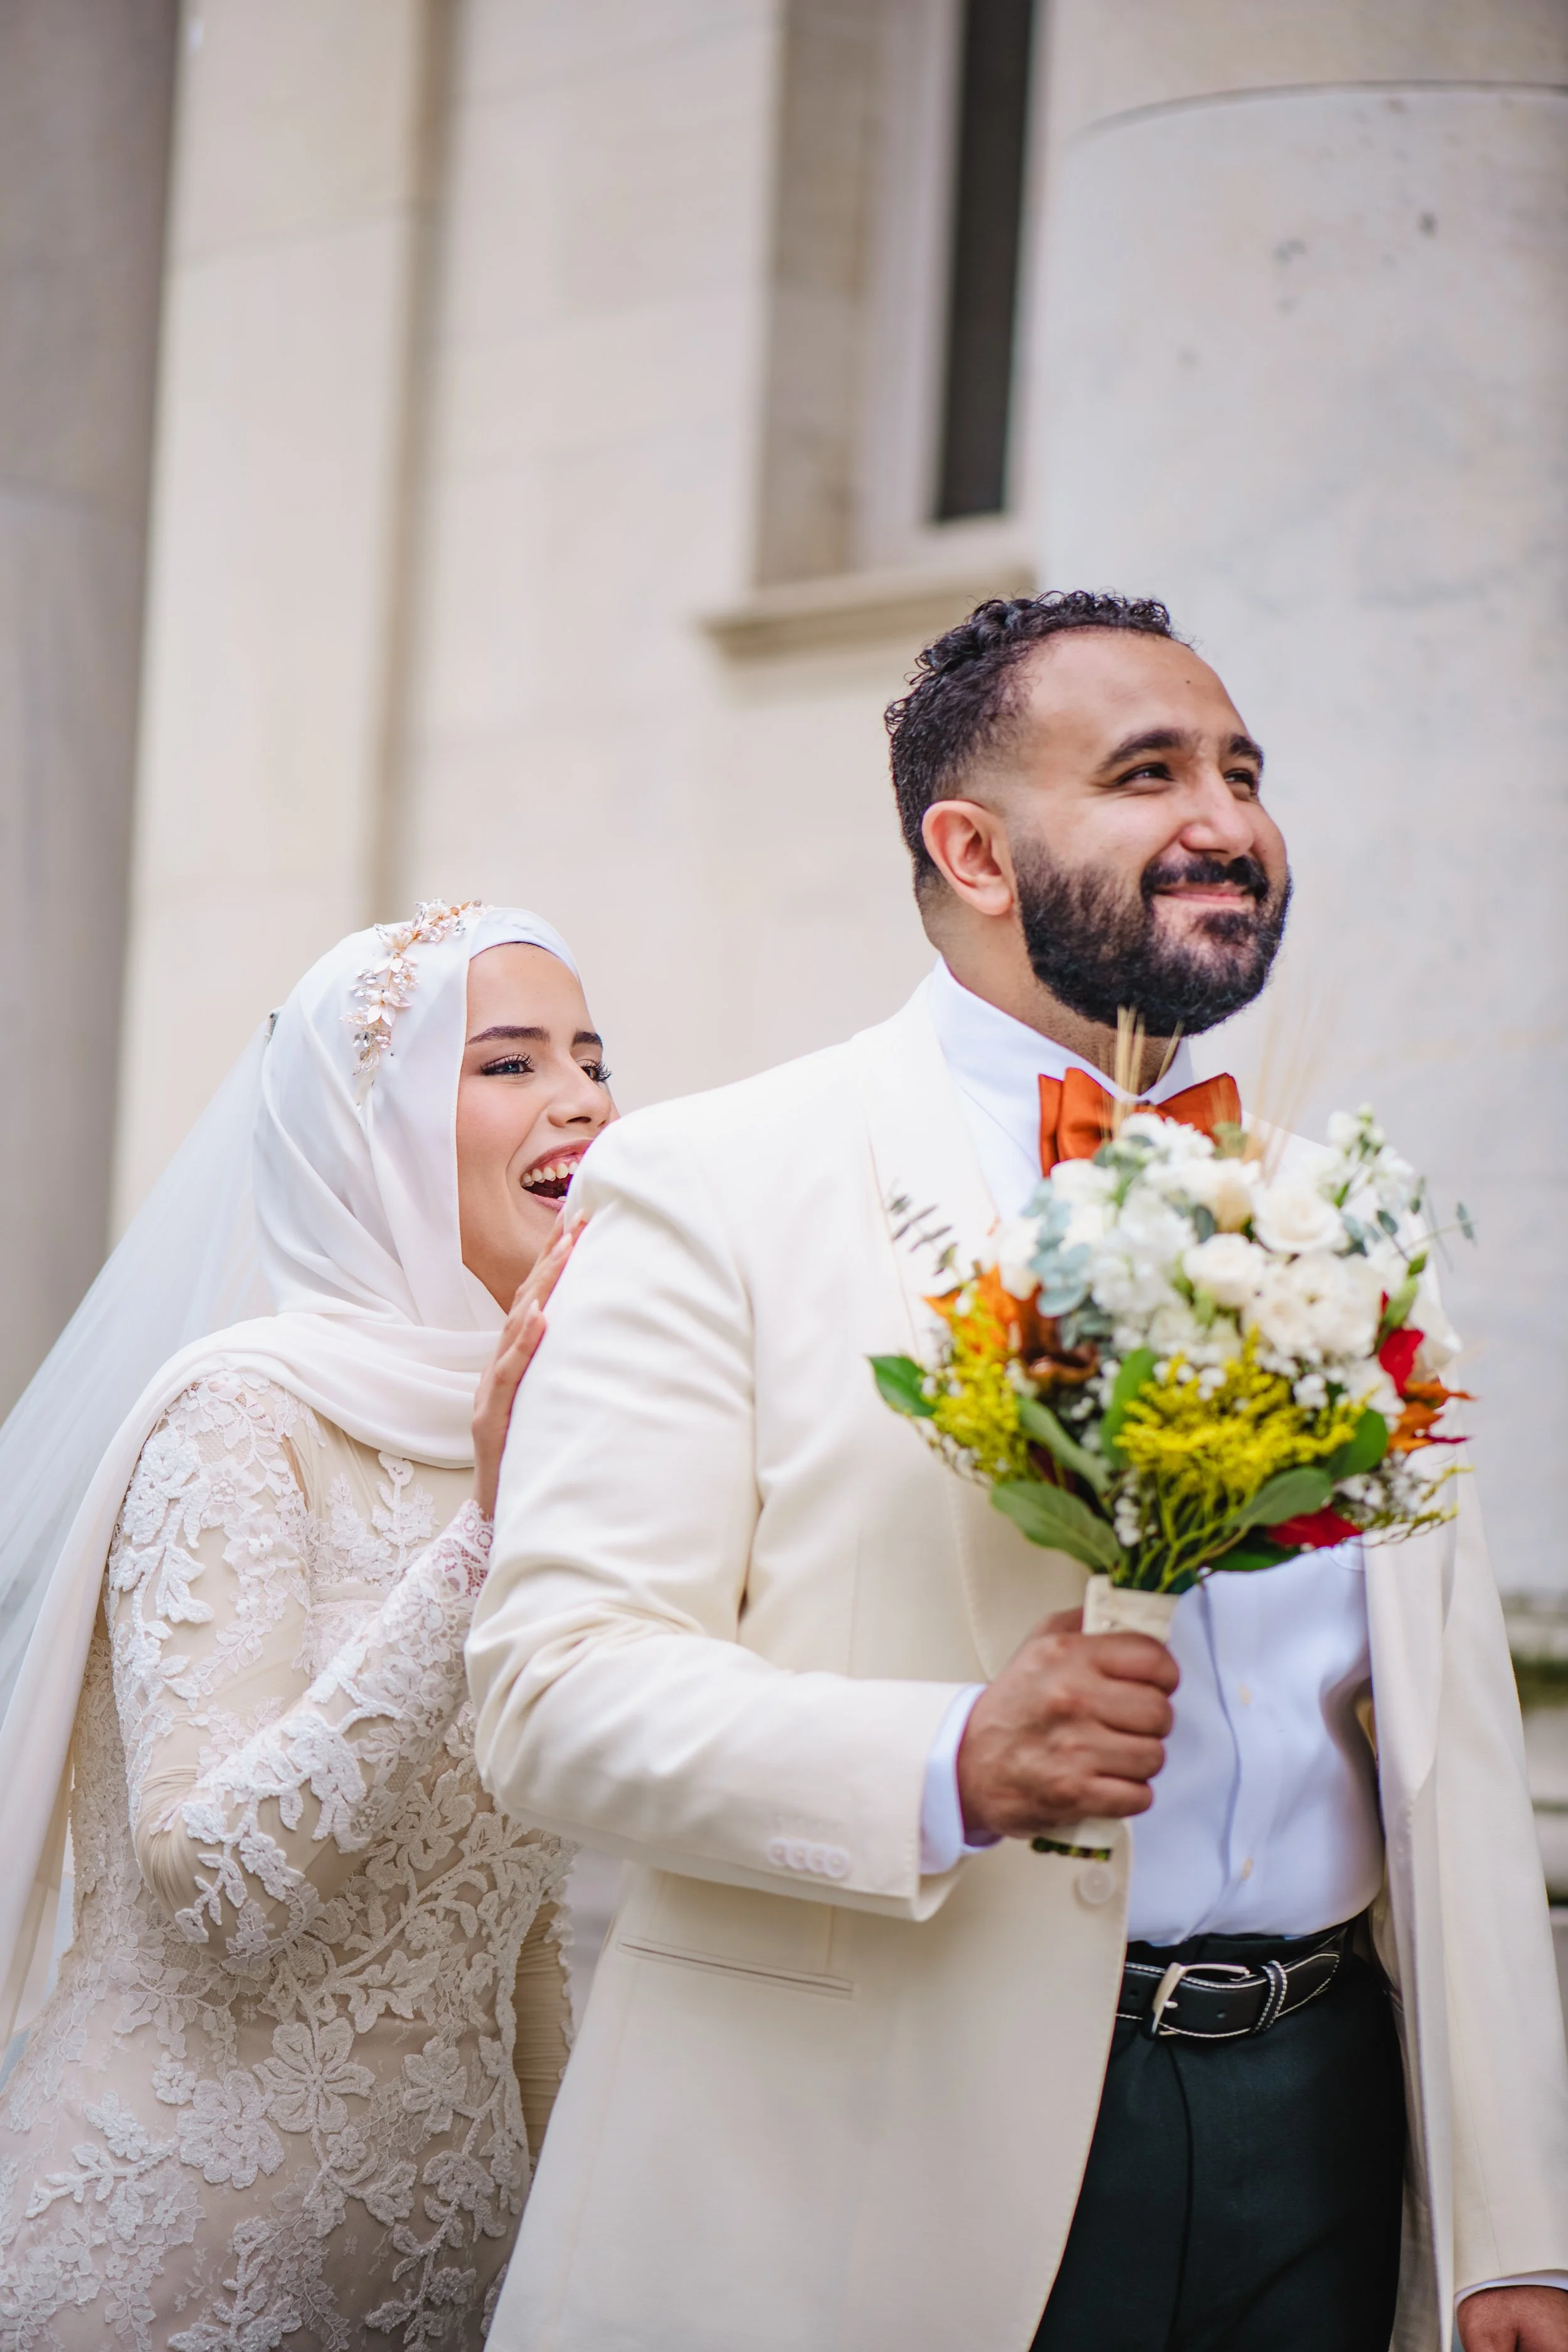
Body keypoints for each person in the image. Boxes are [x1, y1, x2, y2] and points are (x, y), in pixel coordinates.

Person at [467, 595, 1568, 2352]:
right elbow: (550, 1690)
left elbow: (1449, 1744)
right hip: (874, 2159)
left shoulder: (1348, 1218)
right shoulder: (712, 1181)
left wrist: (1515, 2216)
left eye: (1241, 770)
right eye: (1146, 773)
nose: (1227, 820)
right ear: (969, 848)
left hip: (1324, 2131)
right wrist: (944, 1757)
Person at [0, 900, 613, 2346]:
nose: (584, 1096)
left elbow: (517, 1935)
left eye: (590, 1057)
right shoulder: (241, 1417)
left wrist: (558, 2252)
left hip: (452, 2267)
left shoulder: (543, 1430)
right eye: (510, 1063)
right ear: (371, 1130)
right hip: (183, 2254)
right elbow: (216, 1888)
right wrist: (482, 1540)